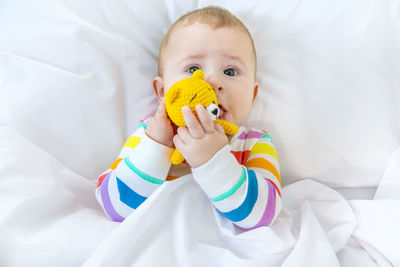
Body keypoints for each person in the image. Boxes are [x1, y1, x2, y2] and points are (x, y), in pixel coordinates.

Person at [95, 6, 282, 230]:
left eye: (230, 71)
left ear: (252, 95)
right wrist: (156, 148)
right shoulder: (150, 135)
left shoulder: (254, 143)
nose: (211, 82)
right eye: (193, 69)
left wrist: (214, 161)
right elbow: (114, 206)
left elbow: (264, 216)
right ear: (163, 92)